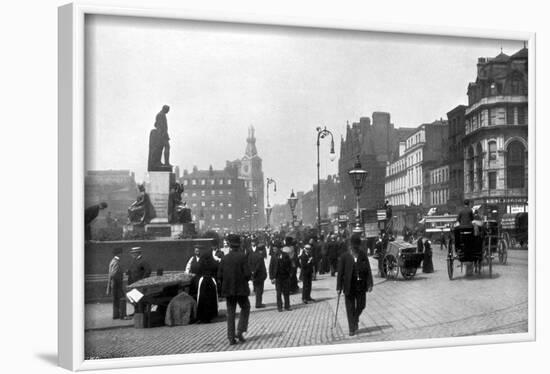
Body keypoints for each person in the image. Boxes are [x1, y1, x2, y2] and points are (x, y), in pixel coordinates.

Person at [337, 233, 373, 336]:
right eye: (354, 246)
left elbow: (368, 270)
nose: (356, 248)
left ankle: (355, 318)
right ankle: (351, 328)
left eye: (357, 246)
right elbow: (340, 273)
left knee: (362, 305)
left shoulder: (363, 255)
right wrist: (339, 287)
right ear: (351, 245)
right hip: (349, 286)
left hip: (361, 285)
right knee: (350, 307)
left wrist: (370, 283)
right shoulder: (344, 257)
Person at [217, 234, 251, 345]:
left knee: (230, 313)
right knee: (246, 307)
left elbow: (219, 275)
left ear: (230, 246)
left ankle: (231, 338)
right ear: (239, 245)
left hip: (229, 290)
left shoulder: (224, 258)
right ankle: (240, 331)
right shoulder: (243, 257)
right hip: (241, 290)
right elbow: (247, 274)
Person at [127, 247, 152, 315]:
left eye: (133, 253)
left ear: (137, 253)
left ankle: (140, 311)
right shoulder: (134, 260)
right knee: (133, 297)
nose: (132, 255)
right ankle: (136, 311)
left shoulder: (143, 261)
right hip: (133, 283)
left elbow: (148, 270)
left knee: (139, 298)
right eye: (132, 253)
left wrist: (142, 280)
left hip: (140, 283)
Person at [195, 252, 219, 323]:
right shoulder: (212, 263)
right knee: (211, 298)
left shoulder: (201, 263)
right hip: (211, 281)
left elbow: (197, 270)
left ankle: (202, 316)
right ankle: (210, 315)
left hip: (203, 281)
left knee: (202, 298)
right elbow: (216, 268)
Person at [269, 240, 292, 312]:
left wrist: (289, 274)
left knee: (286, 292)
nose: (273, 249)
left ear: (279, 248)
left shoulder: (285, 255)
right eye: (273, 248)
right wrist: (272, 277)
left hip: (285, 276)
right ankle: (279, 307)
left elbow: (289, 265)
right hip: (277, 277)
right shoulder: (273, 256)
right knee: (278, 293)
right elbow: (271, 267)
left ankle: (287, 306)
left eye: (275, 248)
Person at [105, 247, 127, 319]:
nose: (123, 255)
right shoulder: (116, 262)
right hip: (117, 284)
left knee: (116, 300)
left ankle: (116, 315)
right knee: (121, 299)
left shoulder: (113, 261)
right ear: (119, 254)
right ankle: (122, 315)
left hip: (114, 284)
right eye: (121, 253)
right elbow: (114, 274)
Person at [249, 244, 267, 308]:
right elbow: (259, 266)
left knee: (256, 290)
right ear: (262, 250)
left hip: (254, 276)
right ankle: (258, 304)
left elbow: (249, 264)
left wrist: (252, 273)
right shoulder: (260, 256)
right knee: (260, 290)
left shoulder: (251, 255)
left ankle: (258, 303)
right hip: (259, 275)